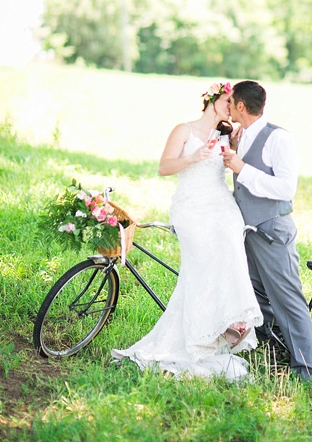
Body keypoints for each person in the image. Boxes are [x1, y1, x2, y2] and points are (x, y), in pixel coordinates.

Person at [111, 81, 263, 379]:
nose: (232, 109)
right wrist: (193, 157)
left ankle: (227, 327)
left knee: (231, 253)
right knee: (201, 264)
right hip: (191, 205)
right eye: (229, 102)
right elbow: (164, 167)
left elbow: (236, 167)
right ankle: (197, 335)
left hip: (222, 204)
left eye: (235, 106)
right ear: (214, 100)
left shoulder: (227, 134)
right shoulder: (184, 130)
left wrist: (235, 146)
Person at [222, 80, 312, 381]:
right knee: (256, 293)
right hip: (250, 231)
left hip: (272, 230)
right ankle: (273, 350)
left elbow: (286, 188)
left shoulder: (278, 139)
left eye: (231, 103)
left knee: (287, 299)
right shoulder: (244, 135)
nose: (228, 108)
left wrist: (241, 168)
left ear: (241, 106)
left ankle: (306, 370)